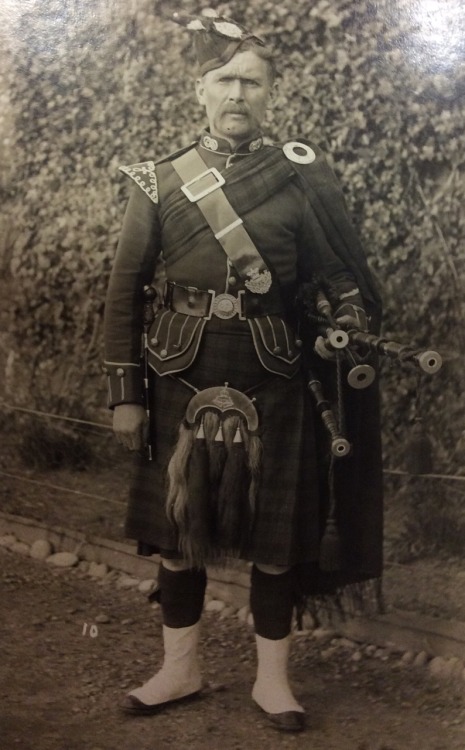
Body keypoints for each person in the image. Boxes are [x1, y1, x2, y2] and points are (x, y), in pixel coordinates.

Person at [103, 10, 383, 734]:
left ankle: (272, 683)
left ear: (269, 95)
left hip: (275, 377)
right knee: (176, 531)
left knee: (277, 539)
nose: (237, 93)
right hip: (177, 370)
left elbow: (336, 278)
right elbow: (124, 291)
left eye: (252, 83)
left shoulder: (300, 177)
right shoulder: (158, 178)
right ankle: (180, 668)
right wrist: (125, 394)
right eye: (225, 79)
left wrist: (345, 325)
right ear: (200, 89)